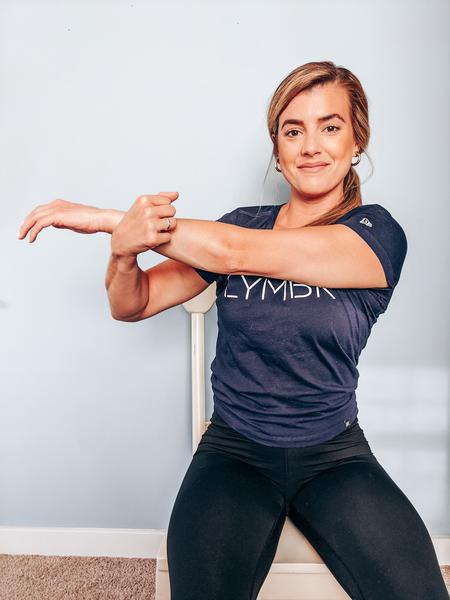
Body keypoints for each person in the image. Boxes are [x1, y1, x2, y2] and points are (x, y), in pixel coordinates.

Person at [18, 60, 449, 599]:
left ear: (357, 140)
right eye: (294, 131)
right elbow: (134, 304)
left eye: (330, 126)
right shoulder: (241, 221)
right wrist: (123, 249)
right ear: (277, 148)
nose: (311, 145)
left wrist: (107, 216)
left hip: (335, 456)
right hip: (234, 451)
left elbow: (235, 252)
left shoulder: (376, 234)